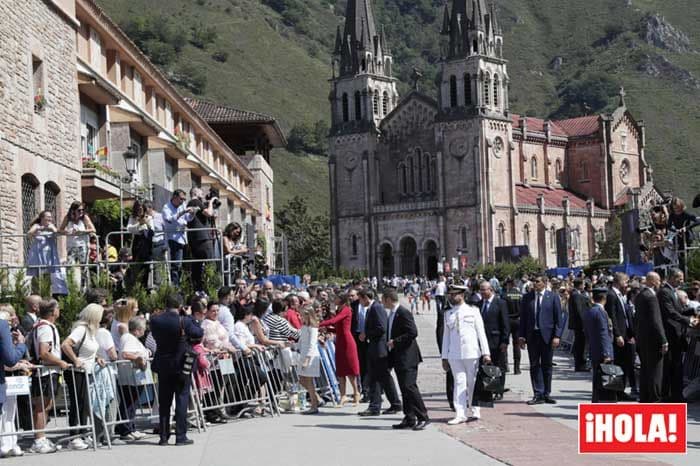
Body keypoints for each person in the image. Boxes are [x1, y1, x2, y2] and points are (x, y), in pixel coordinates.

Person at [150, 293, 203, 446]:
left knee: (164, 402)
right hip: (181, 365)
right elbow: (199, 333)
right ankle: (180, 436)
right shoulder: (184, 320)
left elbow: (155, 336)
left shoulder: (155, 320)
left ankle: (164, 437)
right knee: (181, 399)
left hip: (163, 365)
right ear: (180, 305)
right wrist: (191, 318)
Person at [441, 285, 491, 424]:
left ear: (462, 295)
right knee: (459, 383)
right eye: (450, 294)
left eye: (454, 294)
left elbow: (481, 333)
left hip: (471, 352)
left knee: (473, 382)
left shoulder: (473, 311)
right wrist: (444, 356)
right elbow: (446, 337)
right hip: (455, 354)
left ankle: (475, 409)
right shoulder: (447, 314)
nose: (451, 297)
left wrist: (486, 353)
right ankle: (460, 413)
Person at [383, 290, 429, 431]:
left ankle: (423, 416)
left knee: (410, 386)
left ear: (389, 299)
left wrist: (395, 342)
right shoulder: (392, 314)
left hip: (408, 357)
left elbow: (412, 332)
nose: (382, 303)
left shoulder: (403, 312)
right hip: (398, 357)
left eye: (383, 300)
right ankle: (409, 418)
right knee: (404, 388)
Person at [61, 303, 104, 450]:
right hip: (76, 372)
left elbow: (88, 349)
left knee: (84, 404)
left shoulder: (91, 331)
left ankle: (83, 433)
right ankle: (74, 436)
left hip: (86, 371)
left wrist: (97, 357)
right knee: (78, 403)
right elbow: (65, 344)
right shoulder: (81, 329)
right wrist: (75, 359)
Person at [28, 300, 68, 454]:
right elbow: (44, 353)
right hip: (45, 372)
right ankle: (38, 440)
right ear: (52, 312)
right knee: (42, 405)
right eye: (58, 308)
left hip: (50, 371)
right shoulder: (45, 327)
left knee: (47, 405)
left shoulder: (44, 326)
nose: (59, 311)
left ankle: (42, 437)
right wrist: (60, 362)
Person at [518, 275, 563, 405]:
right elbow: (524, 319)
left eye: (537, 282)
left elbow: (558, 319)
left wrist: (557, 336)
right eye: (534, 282)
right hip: (533, 336)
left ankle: (546, 393)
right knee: (534, 364)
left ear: (544, 283)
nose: (535, 284)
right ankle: (538, 393)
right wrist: (521, 336)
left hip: (548, 336)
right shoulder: (527, 298)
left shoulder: (553, 297)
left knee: (547, 365)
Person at [357, 289, 401, 416]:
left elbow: (381, 328)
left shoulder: (376, 308)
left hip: (379, 348)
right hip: (376, 347)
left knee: (375, 378)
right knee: (383, 378)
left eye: (360, 299)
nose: (360, 303)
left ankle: (375, 407)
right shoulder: (373, 308)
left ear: (365, 297)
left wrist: (366, 334)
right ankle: (395, 404)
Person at [657, 269, 698, 402]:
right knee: (672, 367)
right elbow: (670, 313)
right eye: (680, 278)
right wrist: (689, 321)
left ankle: (676, 396)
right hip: (670, 334)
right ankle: (670, 396)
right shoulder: (664, 292)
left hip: (676, 335)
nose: (682, 281)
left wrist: (694, 310)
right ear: (672, 278)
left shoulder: (672, 292)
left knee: (676, 367)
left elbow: (679, 310)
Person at [319, 293, 360, 405]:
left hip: (347, 342)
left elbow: (334, 321)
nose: (334, 300)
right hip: (340, 341)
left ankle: (356, 393)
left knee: (350, 369)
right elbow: (338, 329)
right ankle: (343, 395)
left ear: (341, 299)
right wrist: (328, 330)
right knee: (341, 370)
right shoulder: (340, 309)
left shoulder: (346, 309)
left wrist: (319, 324)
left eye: (336, 298)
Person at [0, 306, 30, 458]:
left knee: (10, 413)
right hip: (5, 376)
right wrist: (20, 345)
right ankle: (5, 444)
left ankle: (12, 442)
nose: (13, 318)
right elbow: (9, 359)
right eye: (9, 315)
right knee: (4, 413)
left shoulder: (13, 331)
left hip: (12, 378)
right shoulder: (3, 328)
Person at [634, 272, 668, 403]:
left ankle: (645, 397)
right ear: (653, 282)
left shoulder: (640, 296)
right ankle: (655, 398)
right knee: (655, 371)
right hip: (653, 341)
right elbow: (656, 321)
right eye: (658, 280)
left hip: (643, 339)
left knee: (645, 370)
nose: (660, 283)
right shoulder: (651, 297)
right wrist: (663, 340)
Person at [116, 316, 151, 441]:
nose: (144, 331)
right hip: (130, 377)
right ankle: (126, 429)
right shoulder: (128, 337)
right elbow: (126, 353)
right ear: (137, 329)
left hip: (134, 377)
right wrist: (138, 358)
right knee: (129, 402)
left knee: (132, 403)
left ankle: (130, 427)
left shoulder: (132, 338)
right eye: (143, 329)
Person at [605, 273, 636, 400]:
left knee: (625, 364)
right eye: (626, 281)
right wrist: (617, 335)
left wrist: (630, 333)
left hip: (626, 335)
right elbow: (612, 316)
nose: (627, 284)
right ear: (619, 281)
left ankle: (621, 390)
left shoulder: (620, 295)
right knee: (619, 365)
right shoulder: (611, 295)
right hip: (619, 336)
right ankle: (617, 392)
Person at [583, 289, 616, 403]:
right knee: (604, 381)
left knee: (597, 380)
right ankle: (602, 404)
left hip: (595, 349)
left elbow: (586, 332)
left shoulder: (590, 311)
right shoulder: (600, 312)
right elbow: (603, 332)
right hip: (603, 351)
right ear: (604, 299)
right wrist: (606, 353)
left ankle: (596, 402)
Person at [478, 281, 509, 400]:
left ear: (491, 290)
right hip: (482, 341)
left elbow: (505, 323)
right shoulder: (478, 304)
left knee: (498, 366)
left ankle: (498, 390)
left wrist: (505, 341)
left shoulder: (500, 303)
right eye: (480, 290)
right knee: (486, 366)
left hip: (496, 340)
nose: (482, 292)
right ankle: (488, 390)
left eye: (484, 290)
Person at [26, 211, 67, 295]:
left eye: (50, 217)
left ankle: (46, 295)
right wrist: (37, 229)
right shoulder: (36, 225)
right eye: (48, 217)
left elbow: (57, 234)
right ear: (42, 218)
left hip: (49, 254)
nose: (50, 218)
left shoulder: (51, 226)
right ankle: (35, 294)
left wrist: (52, 229)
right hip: (38, 253)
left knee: (47, 275)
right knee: (36, 275)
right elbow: (29, 234)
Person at [187, 187, 217, 292]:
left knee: (197, 266)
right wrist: (211, 202)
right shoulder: (195, 201)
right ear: (195, 192)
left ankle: (198, 289)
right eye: (201, 191)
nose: (203, 193)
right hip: (203, 238)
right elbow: (209, 213)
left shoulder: (192, 203)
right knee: (210, 263)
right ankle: (212, 288)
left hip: (195, 238)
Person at [60, 201, 96, 287]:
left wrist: (82, 231)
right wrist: (67, 232)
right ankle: (70, 288)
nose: (81, 212)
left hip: (82, 245)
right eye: (79, 210)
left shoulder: (84, 218)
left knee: (84, 268)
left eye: (83, 210)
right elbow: (60, 229)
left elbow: (93, 229)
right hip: (71, 246)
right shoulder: (68, 218)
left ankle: (84, 289)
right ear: (73, 210)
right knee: (69, 267)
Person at [162, 190, 194, 285]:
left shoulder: (182, 205)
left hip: (183, 238)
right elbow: (170, 220)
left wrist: (192, 213)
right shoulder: (166, 207)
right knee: (176, 264)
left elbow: (188, 218)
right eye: (181, 199)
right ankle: (175, 286)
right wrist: (183, 212)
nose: (183, 201)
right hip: (174, 238)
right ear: (174, 197)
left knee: (184, 264)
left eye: (184, 199)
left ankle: (182, 284)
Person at [297, 307, 321, 415]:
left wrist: (307, 359)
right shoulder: (304, 327)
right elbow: (301, 342)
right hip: (303, 354)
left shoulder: (313, 328)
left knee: (308, 380)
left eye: (302, 314)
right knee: (302, 380)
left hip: (310, 356)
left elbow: (312, 344)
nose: (300, 316)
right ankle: (316, 399)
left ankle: (314, 405)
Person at [126, 199, 155, 286]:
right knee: (136, 265)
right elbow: (129, 229)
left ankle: (144, 286)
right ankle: (135, 286)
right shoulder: (132, 217)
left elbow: (152, 230)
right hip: (137, 242)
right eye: (138, 208)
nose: (140, 210)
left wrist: (146, 222)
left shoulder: (148, 217)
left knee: (146, 266)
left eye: (142, 208)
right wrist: (139, 224)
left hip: (146, 243)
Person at [349, 288, 369, 402]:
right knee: (362, 365)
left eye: (353, 295)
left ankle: (374, 389)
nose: (351, 298)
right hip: (357, 337)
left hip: (369, 337)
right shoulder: (353, 306)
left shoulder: (370, 305)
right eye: (349, 296)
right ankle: (365, 391)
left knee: (371, 365)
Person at [568, 279, 590, 372]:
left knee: (580, 344)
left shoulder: (576, 294)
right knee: (581, 345)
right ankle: (581, 365)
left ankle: (580, 364)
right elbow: (579, 310)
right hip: (579, 325)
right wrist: (583, 324)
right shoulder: (576, 295)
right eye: (583, 284)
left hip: (578, 324)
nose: (584, 286)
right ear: (580, 285)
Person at [503, 279, 522, 374]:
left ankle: (505, 365)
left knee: (505, 343)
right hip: (518, 320)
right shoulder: (520, 295)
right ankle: (517, 368)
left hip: (507, 321)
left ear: (509, 285)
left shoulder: (505, 296)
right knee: (517, 344)